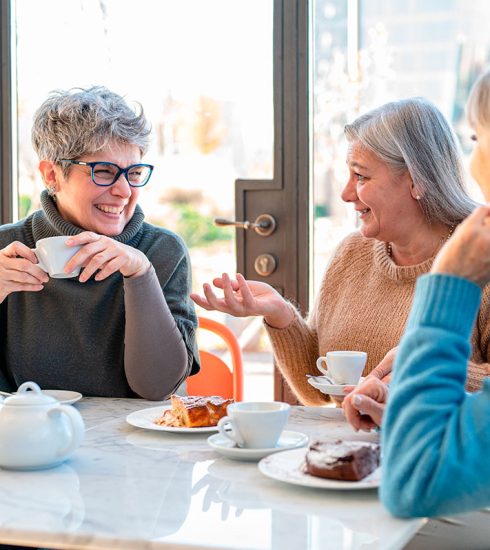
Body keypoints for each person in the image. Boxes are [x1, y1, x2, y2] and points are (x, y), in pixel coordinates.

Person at [191, 97, 489, 406]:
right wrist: (281, 316)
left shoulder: (481, 260)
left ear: (417, 179)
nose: (346, 194)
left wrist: (423, 367)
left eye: (361, 176)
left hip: (433, 452)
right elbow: (318, 392)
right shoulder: (352, 253)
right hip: (343, 448)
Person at [0, 86, 199, 400]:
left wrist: (141, 274)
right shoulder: (7, 248)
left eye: (133, 173)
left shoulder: (161, 252)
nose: (124, 190)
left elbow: (157, 387)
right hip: (26, 440)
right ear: (51, 174)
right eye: (104, 171)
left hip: (131, 444)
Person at [380, 68, 490, 520]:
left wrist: (449, 286)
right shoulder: (353, 253)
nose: (472, 162)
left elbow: (415, 480)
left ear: (417, 181)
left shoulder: (471, 270)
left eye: (476, 137)